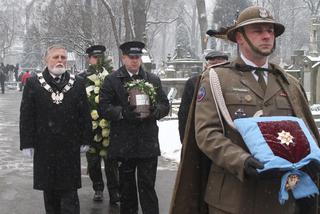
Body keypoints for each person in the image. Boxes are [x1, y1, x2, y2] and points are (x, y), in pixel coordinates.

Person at [170, 6, 320, 214]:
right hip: (233, 199)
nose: (267, 36)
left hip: (281, 199)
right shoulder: (216, 79)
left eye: (270, 31)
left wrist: (308, 159)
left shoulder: (288, 83)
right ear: (239, 38)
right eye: (258, 31)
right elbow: (206, 134)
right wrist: (241, 161)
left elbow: (303, 132)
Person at [20, 44, 92, 214]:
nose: (60, 60)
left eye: (63, 57)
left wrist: (86, 138)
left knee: (69, 195)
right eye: (56, 57)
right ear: (46, 60)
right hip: (45, 147)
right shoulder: (33, 83)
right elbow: (27, 114)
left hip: (69, 147)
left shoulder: (78, 83)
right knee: (50, 194)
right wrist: (27, 142)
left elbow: (84, 114)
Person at [99, 41, 170, 214]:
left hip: (147, 143)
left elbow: (165, 104)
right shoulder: (112, 80)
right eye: (131, 57)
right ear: (123, 58)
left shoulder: (152, 79)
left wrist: (155, 111)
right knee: (127, 189)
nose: (134, 61)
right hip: (124, 143)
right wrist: (122, 113)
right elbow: (103, 107)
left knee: (147, 187)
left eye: (137, 57)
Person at [82, 45, 120, 204]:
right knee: (93, 162)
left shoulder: (111, 77)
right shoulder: (82, 78)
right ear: (89, 59)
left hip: (109, 125)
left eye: (100, 57)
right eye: (94, 57)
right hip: (90, 126)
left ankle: (114, 192)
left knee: (111, 161)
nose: (97, 60)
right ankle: (98, 188)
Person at [178, 50, 228, 142]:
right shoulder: (194, 83)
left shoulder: (232, 83)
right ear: (206, 66)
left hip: (227, 136)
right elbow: (184, 113)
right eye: (213, 65)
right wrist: (185, 139)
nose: (216, 69)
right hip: (201, 134)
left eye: (220, 65)